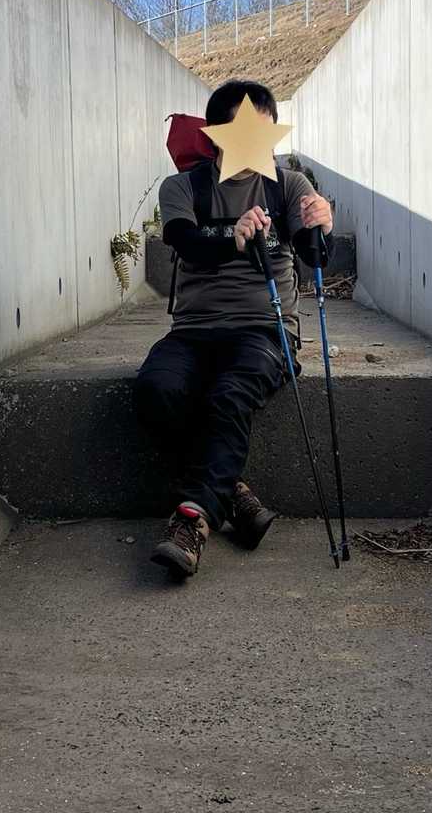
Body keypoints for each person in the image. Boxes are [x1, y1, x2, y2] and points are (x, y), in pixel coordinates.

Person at [134, 80, 333, 578]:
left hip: (265, 330)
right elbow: (185, 241)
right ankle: (233, 492)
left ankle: (192, 519)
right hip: (194, 330)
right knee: (157, 388)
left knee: (229, 394)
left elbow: (314, 256)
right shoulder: (183, 187)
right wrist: (234, 240)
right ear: (215, 135)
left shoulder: (288, 185)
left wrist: (321, 225)